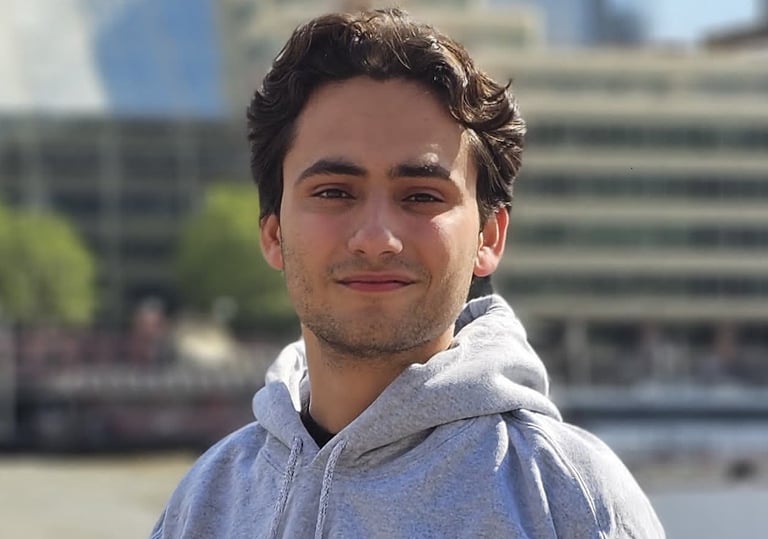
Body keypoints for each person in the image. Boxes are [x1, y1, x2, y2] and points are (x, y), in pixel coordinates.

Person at [152, 8, 664, 538]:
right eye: (334, 192)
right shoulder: (205, 501)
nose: (376, 238)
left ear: (489, 238)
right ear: (273, 233)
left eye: (421, 196)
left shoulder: (568, 498)